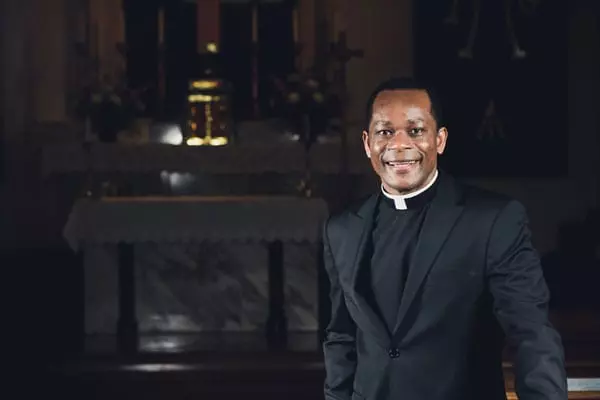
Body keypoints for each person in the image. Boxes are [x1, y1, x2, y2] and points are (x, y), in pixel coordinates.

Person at [322, 77, 567, 400]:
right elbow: (341, 337)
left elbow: (531, 333)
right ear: (368, 143)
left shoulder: (494, 220)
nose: (398, 145)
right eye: (385, 131)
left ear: (439, 139)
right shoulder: (341, 229)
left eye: (415, 130)